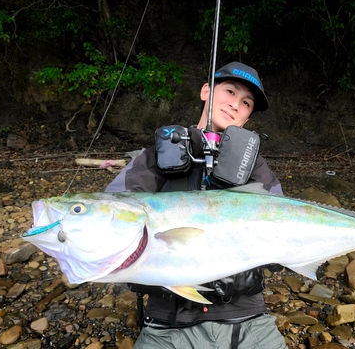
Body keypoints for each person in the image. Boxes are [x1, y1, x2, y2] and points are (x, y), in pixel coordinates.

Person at [105, 61, 287, 349]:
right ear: (206, 91)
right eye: (229, 91)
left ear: (248, 117)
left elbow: (284, 232)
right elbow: (113, 215)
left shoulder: (257, 167)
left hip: (248, 321)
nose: (235, 104)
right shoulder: (156, 156)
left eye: (246, 102)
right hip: (168, 323)